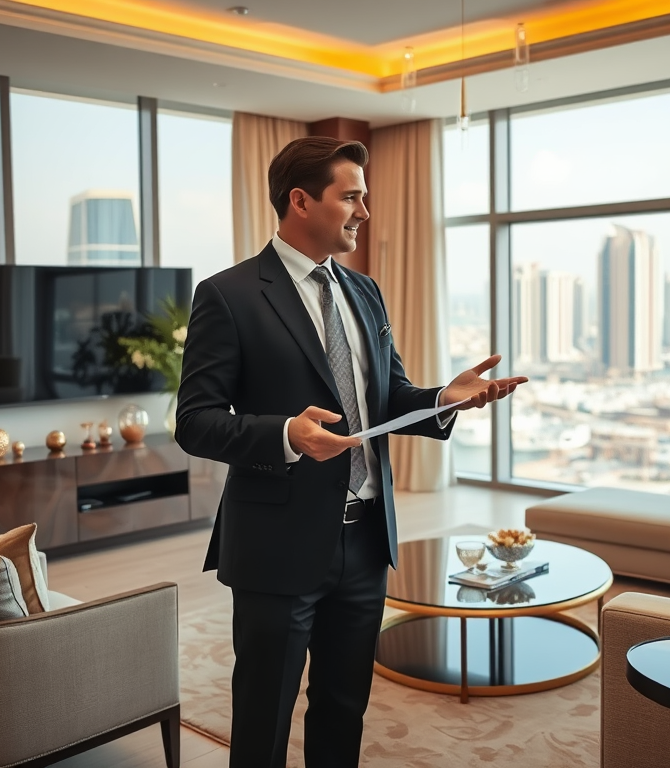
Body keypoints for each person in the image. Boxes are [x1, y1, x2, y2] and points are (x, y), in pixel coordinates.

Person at [175, 136, 526, 768]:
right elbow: (196, 423)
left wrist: (444, 396)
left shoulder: (365, 292)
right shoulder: (227, 295)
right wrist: (285, 434)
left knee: (344, 707)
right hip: (276, 544)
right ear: (301, 200)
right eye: (352, 196)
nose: (365, 211)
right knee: (264, 714)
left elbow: (386, 399)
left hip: (365, 541)